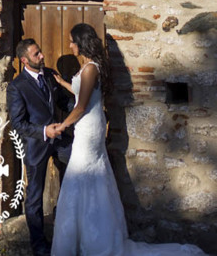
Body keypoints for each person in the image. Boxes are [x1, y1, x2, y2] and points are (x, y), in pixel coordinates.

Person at [46, 23, 208, 256]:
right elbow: (82, 94)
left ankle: (92, 239)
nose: (70, 44)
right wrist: (62, 83)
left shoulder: (91, 68)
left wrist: (62, 125)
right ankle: (83, 236)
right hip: (86, 127)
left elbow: (81, 106)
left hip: (89, 130)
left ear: (81, 42)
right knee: (84, 177)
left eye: (72, 40)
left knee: (82, 173)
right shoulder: (87, 68)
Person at [6, 38, 73, 256]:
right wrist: (45, 131)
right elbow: (18, 124)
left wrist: (83, 108)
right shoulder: (17, 86)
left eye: (41, 52)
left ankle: (68, 230)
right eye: (37, 54)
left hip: (61, 140)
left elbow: (64, 102)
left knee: (76, 180)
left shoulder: (51, 74)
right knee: (34, 195)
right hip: (36, 144)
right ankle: (39, 244)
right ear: (25, 60)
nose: (42, 56)